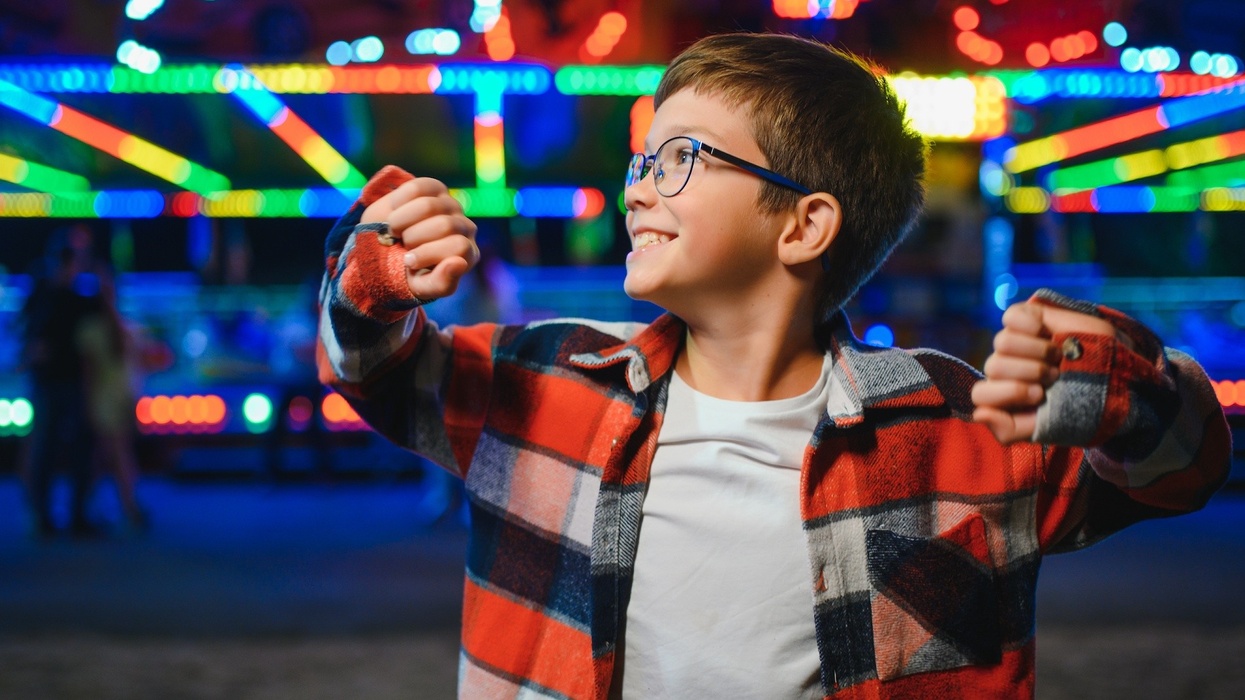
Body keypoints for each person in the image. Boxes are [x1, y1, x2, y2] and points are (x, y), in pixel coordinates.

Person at [316, 34, 1231, 699]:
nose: (636, 185)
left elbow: (1184, 470)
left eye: (678, 159)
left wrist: (1103, 372)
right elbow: (370, 366)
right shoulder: (543, 382)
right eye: (642, 158)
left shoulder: (960, 427)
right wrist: (371, 271)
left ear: (803, 225)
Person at [19, 226, 102, 538]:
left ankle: (76, 513)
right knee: (46, 448)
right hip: (51, 381)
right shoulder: (44, 292)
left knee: (76, 447)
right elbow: (28, 332)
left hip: (70, 380)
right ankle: (44, 515)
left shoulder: (76, 297)